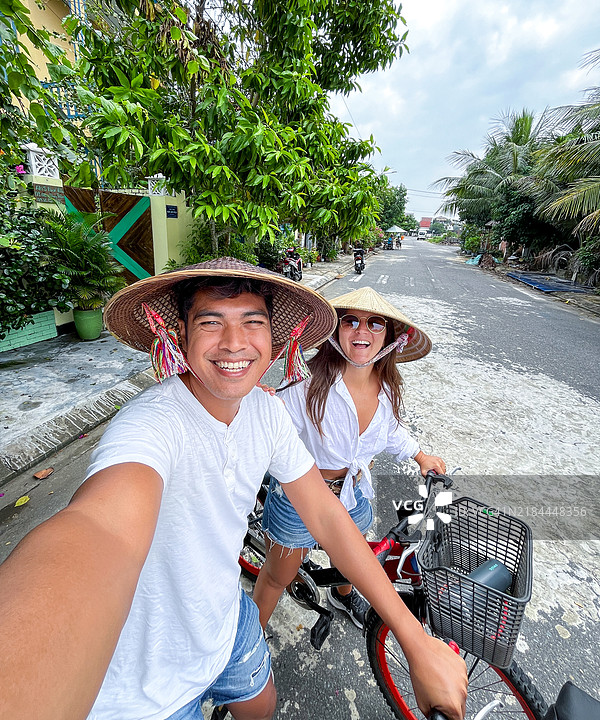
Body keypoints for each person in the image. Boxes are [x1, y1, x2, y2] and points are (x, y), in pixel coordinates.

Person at [0, 260, 466, 720]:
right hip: (146, 688)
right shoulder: (150, 425)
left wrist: (415, 640)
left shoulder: (266, 412)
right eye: (210, 322)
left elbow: (326, 514)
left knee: (262, 705)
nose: (234, 343)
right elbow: (97, 530)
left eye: (252, 322)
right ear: (178, 333)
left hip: (227, 617)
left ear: (275, 337)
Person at [254, 286, 444, 629]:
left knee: (349, 565)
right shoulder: (307, 383)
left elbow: (391, 432)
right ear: (335, 330)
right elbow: (275, 426)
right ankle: (252, 640)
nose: (361, 331)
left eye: (375, 323)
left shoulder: (387, 389)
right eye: (350, 321)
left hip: (351, 493)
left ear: (389, 336)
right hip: (300, 498)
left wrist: (420, 456)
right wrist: (262, 404)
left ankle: (341, 596)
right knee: (277, 577)